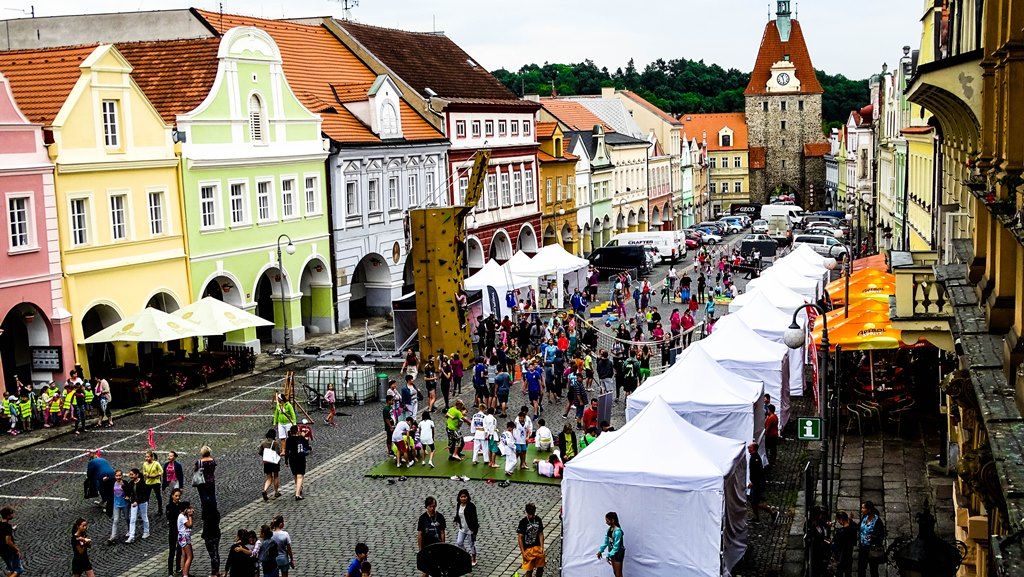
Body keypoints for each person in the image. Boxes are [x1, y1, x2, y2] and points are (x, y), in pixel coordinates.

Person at [747, 442, 779, 522]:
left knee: (756, 502)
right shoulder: (753, 457)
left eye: (749, 447)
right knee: (753, 502)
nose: (748, 448)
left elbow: (758, 473)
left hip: (757, 484)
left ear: (753, 449)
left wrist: (753, 483)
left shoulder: (755, 459)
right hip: (756, 483)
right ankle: (756, 517)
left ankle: (772, 512)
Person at [417, 497, 446, 577]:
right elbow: (420, 534)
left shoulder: (440, 517)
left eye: (434, 506)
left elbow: (442, 532)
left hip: (437, 547)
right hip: (427, 547)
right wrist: (420, 549)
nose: (432, 508)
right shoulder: (422, 518)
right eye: (430, 506)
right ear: (426, 506)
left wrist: (443, 545)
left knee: (434, 570)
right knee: (426, 570)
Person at [857, 501, 886, 577]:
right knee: (861, 568)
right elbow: (859, 527)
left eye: (863, 508)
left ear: (868, 509)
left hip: (872, 548)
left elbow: (881, 535)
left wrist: (873, 537)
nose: (861, 509)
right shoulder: (864, 517)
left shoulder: (877, 521)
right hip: (863, 547)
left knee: (873, 569)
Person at [517, 503, 545, 577]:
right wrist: (523, 552)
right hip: (528, 549)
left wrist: (542, 547)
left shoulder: (538, 520)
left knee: (540, 567)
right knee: (529, 569)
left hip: (537, 548)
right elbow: (520, 538)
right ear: (526, 512)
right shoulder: (523, 522)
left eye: (533, 514)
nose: (531, 516)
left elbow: (541, 534)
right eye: (530, 515)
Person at [453, 489, 479, 566]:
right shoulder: (458, 505)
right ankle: (467, 555)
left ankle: (474, 558)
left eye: (465, 496)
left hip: (470, 529)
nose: (463, 498)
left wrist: (474, 531)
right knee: (459, 542)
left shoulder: (471, 506)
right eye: (462, 497)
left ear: (467, 497)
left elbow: (475, 519)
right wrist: (456, 520)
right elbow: (458, 514)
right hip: (462, 528)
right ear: (459, 497)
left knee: (471, 545)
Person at [284, 425, 310, 500]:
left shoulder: (288, 439)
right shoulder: (300, 438)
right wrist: (305, 438)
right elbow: (307, 447)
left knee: (295, 475)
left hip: (292, 458)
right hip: (300, 458)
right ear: (297, 431)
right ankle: (297, 494)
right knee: (300, 475)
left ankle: (298, 489)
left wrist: (286, 461)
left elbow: (286, 451)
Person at [596, 511, 624, 577]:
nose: (606, 522)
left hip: (618, 553)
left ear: (613, 520)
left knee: (618, 574)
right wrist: (600, 551)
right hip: (612, 552)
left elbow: (616, 546)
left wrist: (608, 555)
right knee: (615, 572)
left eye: (607, 521)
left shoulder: (618, 532)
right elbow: (606, 542)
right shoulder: (609, 530)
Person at [126, 468, 150, 542]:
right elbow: (128, 491)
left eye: (132, 474)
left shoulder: (142, 483)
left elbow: (143, 494)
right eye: (130, 474)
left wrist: (137, 501)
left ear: (137, 475)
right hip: (134, 502)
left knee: (144, 517)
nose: (131, 476)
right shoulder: (131, 483)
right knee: (132, 519)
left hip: (142, 502)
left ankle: (146, 531)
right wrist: (127, 496)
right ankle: (131, 536)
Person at [831, 511, 857, 577]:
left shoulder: (840, 532)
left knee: (839, 573)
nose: (838, 522)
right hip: (849, 555)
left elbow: (835, 545)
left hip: (841, 557)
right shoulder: (853, 529)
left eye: (838, 520)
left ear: (841, 519)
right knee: (848, 573)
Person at [108, 469, 131, 543]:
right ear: (115, 476)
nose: (118, 477)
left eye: (119, 475)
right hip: (116, 504)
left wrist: (127, 495)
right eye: (117, 476)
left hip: (125, 504)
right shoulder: (113, 483)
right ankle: (113, 536)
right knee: (116, 520)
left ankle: (130, 530)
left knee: (127, 518)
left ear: (122, 476)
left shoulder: (125, 483)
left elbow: (129, 491)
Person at [259, 429, 282, 501]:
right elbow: (278, 452)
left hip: (267, 462)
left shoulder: (263, 443)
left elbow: (260, 452)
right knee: (276, 476)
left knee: (269, 478)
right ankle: (276, 492)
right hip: (274, 462)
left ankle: (264, 490)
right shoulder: (275, 443)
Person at [166, 488, 184, 577]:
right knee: (172, 551)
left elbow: (187, 505)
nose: (177, 497)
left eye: (179, 496)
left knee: (179, 550)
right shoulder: (169, 506)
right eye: (176, 496)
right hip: (173, 531)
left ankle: (178, 567)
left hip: (180, 531)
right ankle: (170, 572)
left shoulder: (181, 505)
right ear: (172, 496)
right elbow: (170, 517)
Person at [194, 446, 217, 511]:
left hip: (201, 481)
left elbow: (195, 470)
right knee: (212, 495)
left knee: (203, 496)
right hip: (211, 481)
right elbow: (213, 470)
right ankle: (213, 508)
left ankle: (205, 509)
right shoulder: (213, 461)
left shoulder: (199, 462)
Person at [0, 507, 22, 577]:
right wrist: (16, 549)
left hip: (2, 550)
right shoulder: (7, 527)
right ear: (8, 516)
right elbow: (8, 541)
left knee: (10, 569)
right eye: (12, 514)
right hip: (9, 551)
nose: (13, 515)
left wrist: (11, 529)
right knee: (19, 570)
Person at [142, 450, 164, 517]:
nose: (146, 458)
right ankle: (144, 511)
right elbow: (144, 472)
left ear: (152, 457)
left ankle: (160, 510)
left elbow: (161, 471)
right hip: (148, 483)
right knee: (146, 498)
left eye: (148, 457)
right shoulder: (144, 464)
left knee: (158, 496)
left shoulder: (156, 463)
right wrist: (146, 475)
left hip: (156, 482)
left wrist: (155, 475)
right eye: (146, 457)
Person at [202, 505, 222, 576]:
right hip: (216, 534)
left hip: (209, 536)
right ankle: (216, 571)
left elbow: (206, 526)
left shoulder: (207, 516)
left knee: (213, 555)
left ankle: (214, 573)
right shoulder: (216, 513)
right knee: (216, 553)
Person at [177, 501, 195, 577]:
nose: (190, 509)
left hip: (182, 537)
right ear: (185, 509)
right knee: (190, 556)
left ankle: (184, 572)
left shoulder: (181, 516)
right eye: (189, 508)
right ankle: (185, 574)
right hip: (185, 537)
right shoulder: (182, 517)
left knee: (184, 555)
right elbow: (189, 525)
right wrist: (190, 516)